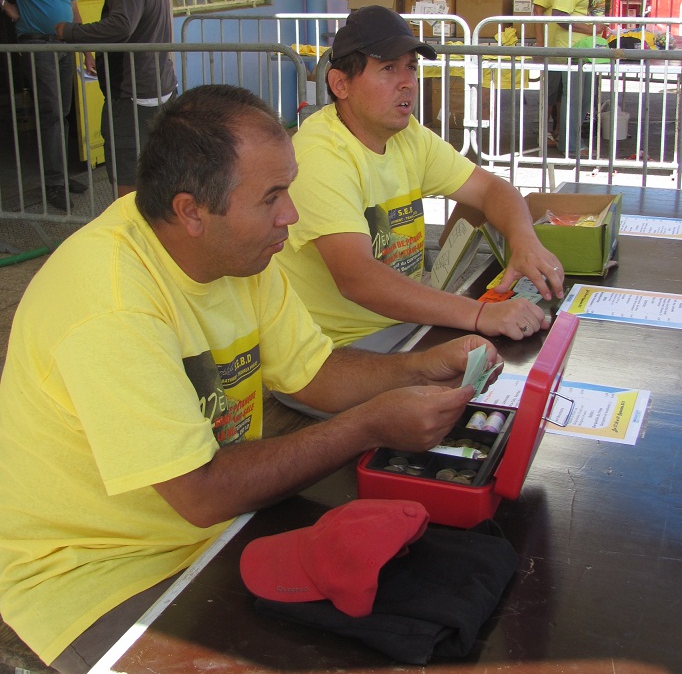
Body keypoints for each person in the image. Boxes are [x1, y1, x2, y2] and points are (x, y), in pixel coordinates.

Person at [0, 83, 501, 674]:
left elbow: (314, 373)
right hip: (95, 573)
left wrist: (424, 365)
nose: (291, 213)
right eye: (273, 196)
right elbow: (202, 492)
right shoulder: (112, 303)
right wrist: (368, 423)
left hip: (218, 531)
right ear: (191, 210)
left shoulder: (240, 254)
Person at [276, 6, 564, 350]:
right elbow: (357, 279)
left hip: (404, 327)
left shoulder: (407, 134)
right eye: (387, 69)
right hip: (338, 350)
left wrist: (525, 242)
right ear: (340, 84)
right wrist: (479, 315)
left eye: (411, 67)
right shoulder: (319, 154)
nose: (407, 83)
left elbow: (490, 189)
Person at [56, 0, 177, 199]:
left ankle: (131, 237)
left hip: (133, 93)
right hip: (156, 88)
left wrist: (69, 31)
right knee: (156, 172)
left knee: (128, 182)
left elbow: (121, 26)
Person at [0, 0, 95, 211]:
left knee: (62, 113)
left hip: (64, 44)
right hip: (38, 42)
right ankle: (54, 183)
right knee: (51, 114)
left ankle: (61, 176)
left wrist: (86, 50)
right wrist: (7, 7)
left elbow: (73, 7)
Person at [552, 0, 605, 159]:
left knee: (584, 98)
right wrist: (588, 29)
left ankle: (574, 139)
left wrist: (600, 24)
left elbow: (596, 4)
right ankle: (570, 144)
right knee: (574, 97)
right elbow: (559, 17)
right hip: (573, 45)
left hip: (590, 43)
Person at [533, 0, 568, 146]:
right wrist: (540, 41)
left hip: (568, 44)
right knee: (551, 91)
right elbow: (538, 8)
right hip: (553, 42)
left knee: (564, 91)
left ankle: (560, 130)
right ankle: (544, 132)